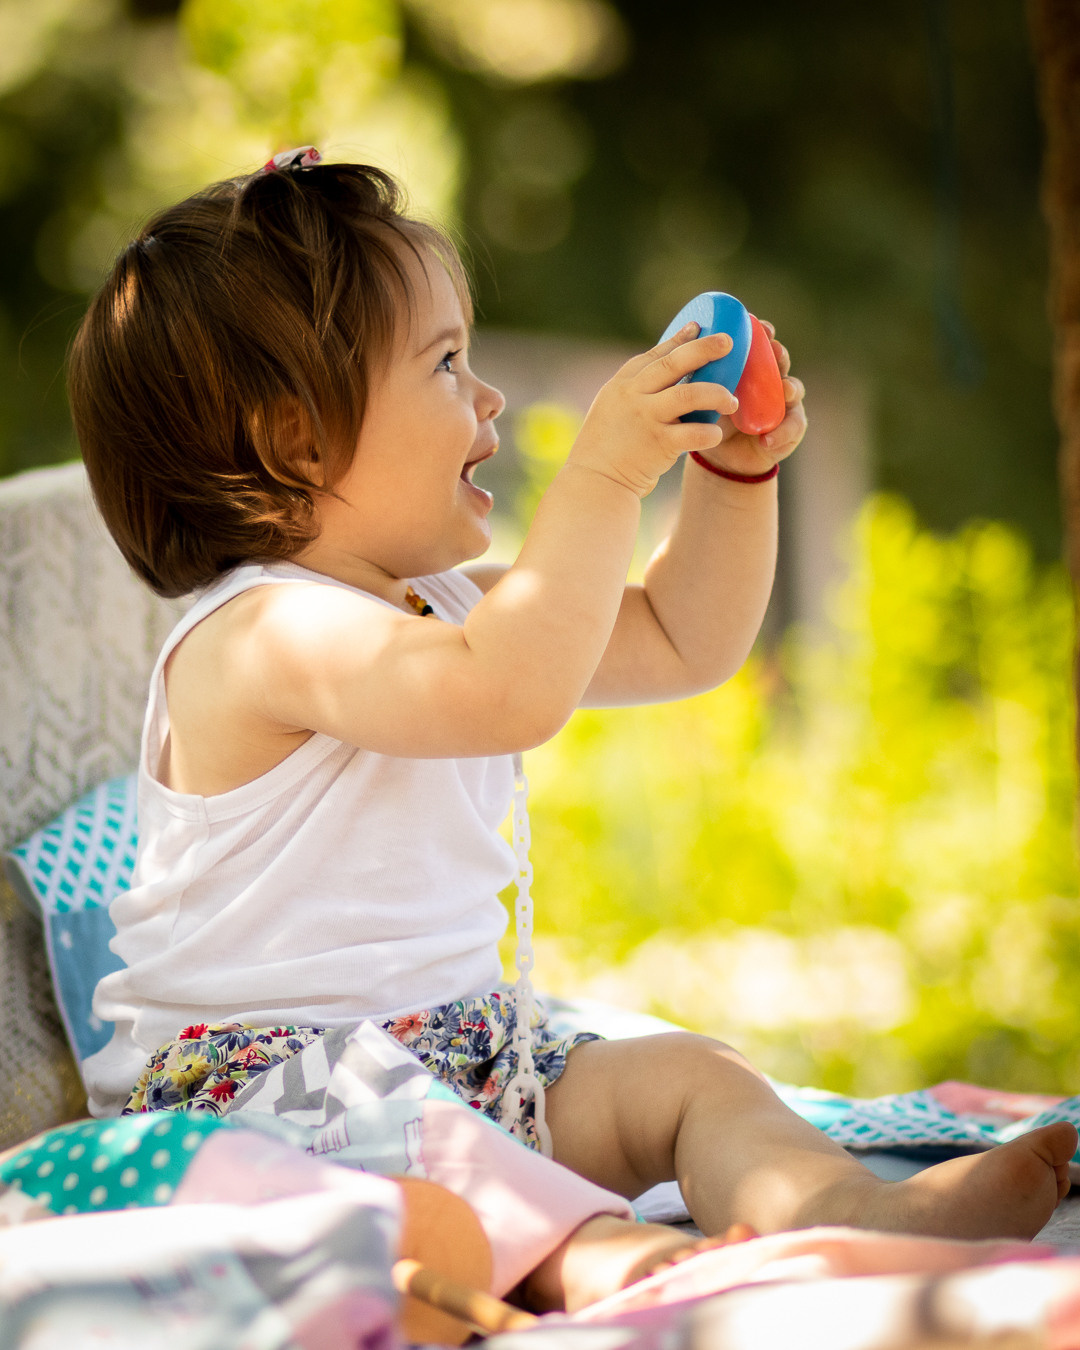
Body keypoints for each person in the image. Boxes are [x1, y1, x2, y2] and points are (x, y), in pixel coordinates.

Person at [67, 152, 1076, 1310]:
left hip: (461, 1058)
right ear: (296, 442)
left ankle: (838, 1205)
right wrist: (599, 473)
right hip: (269, 1097)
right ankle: (623, 1270)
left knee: (693, 1078)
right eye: (446, 364)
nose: (488, 398)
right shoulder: (261, 635)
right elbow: (505, 691)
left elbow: (683, 639)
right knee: (455, 1177)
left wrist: (724, 479)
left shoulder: (442, 612)